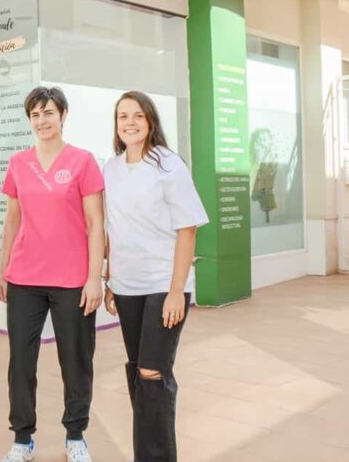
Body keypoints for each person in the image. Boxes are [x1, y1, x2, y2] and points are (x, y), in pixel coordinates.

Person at [0, 86, 104, 462]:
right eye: (35, 115)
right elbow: (12, 221)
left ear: (63, 115)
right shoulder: (18, 163)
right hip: (24, 277)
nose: (42, 121)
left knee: (76, 360)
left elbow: (96, 223)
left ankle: (75, 435)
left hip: (72, 279)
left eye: (48, 113)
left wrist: (94, 277)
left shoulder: (83, 161)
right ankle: (22, 439)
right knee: (21, 362)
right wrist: (3, 270)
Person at [102, 91, 208, 462]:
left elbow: (187, 229)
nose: (129, 123)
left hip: (165, 284)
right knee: (139, 371)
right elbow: (114, 228)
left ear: (150, 121)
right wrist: (110, 279)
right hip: (126, 286)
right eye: (123, 116)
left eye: (137, 115)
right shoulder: (111, 168)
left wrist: (177, 291)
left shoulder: (168, 165)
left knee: (152, 372)